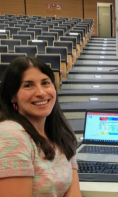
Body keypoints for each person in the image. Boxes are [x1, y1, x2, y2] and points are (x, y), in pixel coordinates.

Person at [0, 57, 81, 197]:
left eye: (45, 83)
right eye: (28, 85)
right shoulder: (11, 136)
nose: (41, 93)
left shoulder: (60, 135)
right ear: (12, 96)